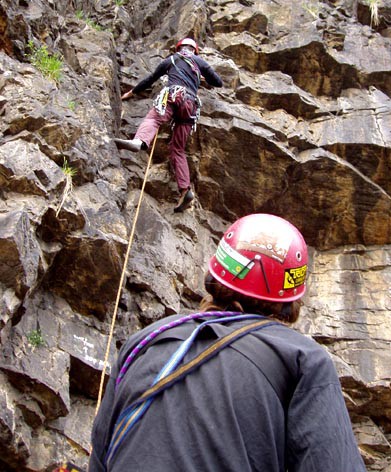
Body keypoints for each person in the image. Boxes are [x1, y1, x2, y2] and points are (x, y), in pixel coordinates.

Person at [89, 213, 366, 472]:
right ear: (290, 300)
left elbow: (100, 457)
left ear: (216, 273)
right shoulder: (302, 359)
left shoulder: (143, 342)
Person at [114, 38, 223, 212]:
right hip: (191, 106)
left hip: (174, 95)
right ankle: (185, 190)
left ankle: (139, 141)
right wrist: (200, 75)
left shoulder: (171, 60)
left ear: (179, 48)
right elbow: (218, 82)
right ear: (194, 51)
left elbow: (150, 79)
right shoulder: (199, 62)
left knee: (155, 119)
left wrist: (132, 92)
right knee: (178, 149)